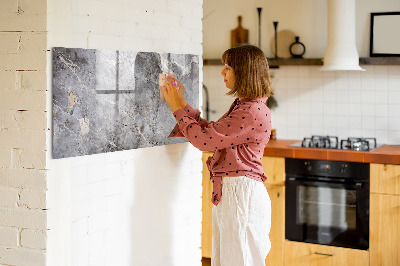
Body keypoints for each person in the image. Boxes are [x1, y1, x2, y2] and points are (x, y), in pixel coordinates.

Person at [161, 44, 273, 266]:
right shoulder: (246, 106)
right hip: (236, 193)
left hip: (241, 195)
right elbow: (212, 133)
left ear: (244, 72)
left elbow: (204, 141)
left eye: (228, 67)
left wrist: (176, 108)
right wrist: (182, 103)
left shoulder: (250, 111)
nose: (222, 72)